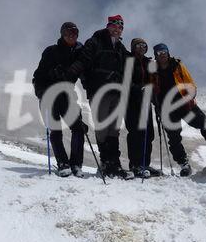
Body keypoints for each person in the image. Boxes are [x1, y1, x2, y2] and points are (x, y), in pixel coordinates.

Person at [67, 15, 134, 180]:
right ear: (108, 26)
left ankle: (114, 165)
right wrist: (70, 76)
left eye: (120, 27)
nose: (117, 29)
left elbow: (131, 65)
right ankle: (105, 164)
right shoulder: (96, 41)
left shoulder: (120, 48)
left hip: (116, 93)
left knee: (114, 128)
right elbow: (83, 60)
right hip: (100, 91)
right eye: (114, 25)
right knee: (103, 127)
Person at [151, 43, 206, 177]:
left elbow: (190, 83)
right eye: (159, 52)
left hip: (184, 105)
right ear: (156, 55)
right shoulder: (153, 71)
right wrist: (156, 103)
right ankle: (184, 165)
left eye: (164, 51)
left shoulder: (177, 65)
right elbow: (151, 90)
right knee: (174, 138)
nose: (162, 54)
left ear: (168, 52)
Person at [32, 22, 85, 178]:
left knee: (78, 128)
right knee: (55, 130)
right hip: (49, 94)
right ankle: (63, 163)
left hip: (66, 95)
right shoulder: (51, 51)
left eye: (75, 33)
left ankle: (76, 164)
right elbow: (38, 75)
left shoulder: (79, 53)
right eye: (68, 33)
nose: (72, 36)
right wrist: (41, 92)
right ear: (62, 34)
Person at [125, 38, 161, 178]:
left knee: (148, 134)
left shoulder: (148, 63)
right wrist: (140, 88)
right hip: (131, 101)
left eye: (144, 45)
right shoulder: (128, 61)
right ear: (133, 47)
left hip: (145, 102)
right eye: (138, 45)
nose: (141, 47)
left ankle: (144, 164)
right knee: (135, 133)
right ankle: (135, 165)